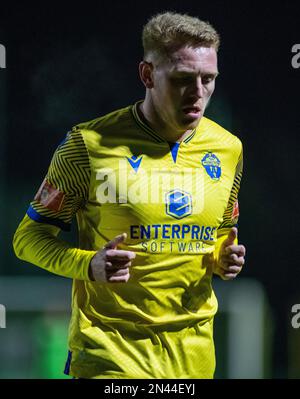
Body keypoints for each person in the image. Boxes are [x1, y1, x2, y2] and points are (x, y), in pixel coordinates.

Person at [13, 11, 246, 379]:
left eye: (208, 79)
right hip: (111, 360)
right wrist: (88, 264)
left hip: (195, 364)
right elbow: (27, 239)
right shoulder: (88, 146)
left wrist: (222, 257)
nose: (198, 93)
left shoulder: (228, 149)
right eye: (184, 79)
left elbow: (217, 236)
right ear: (147, 75)